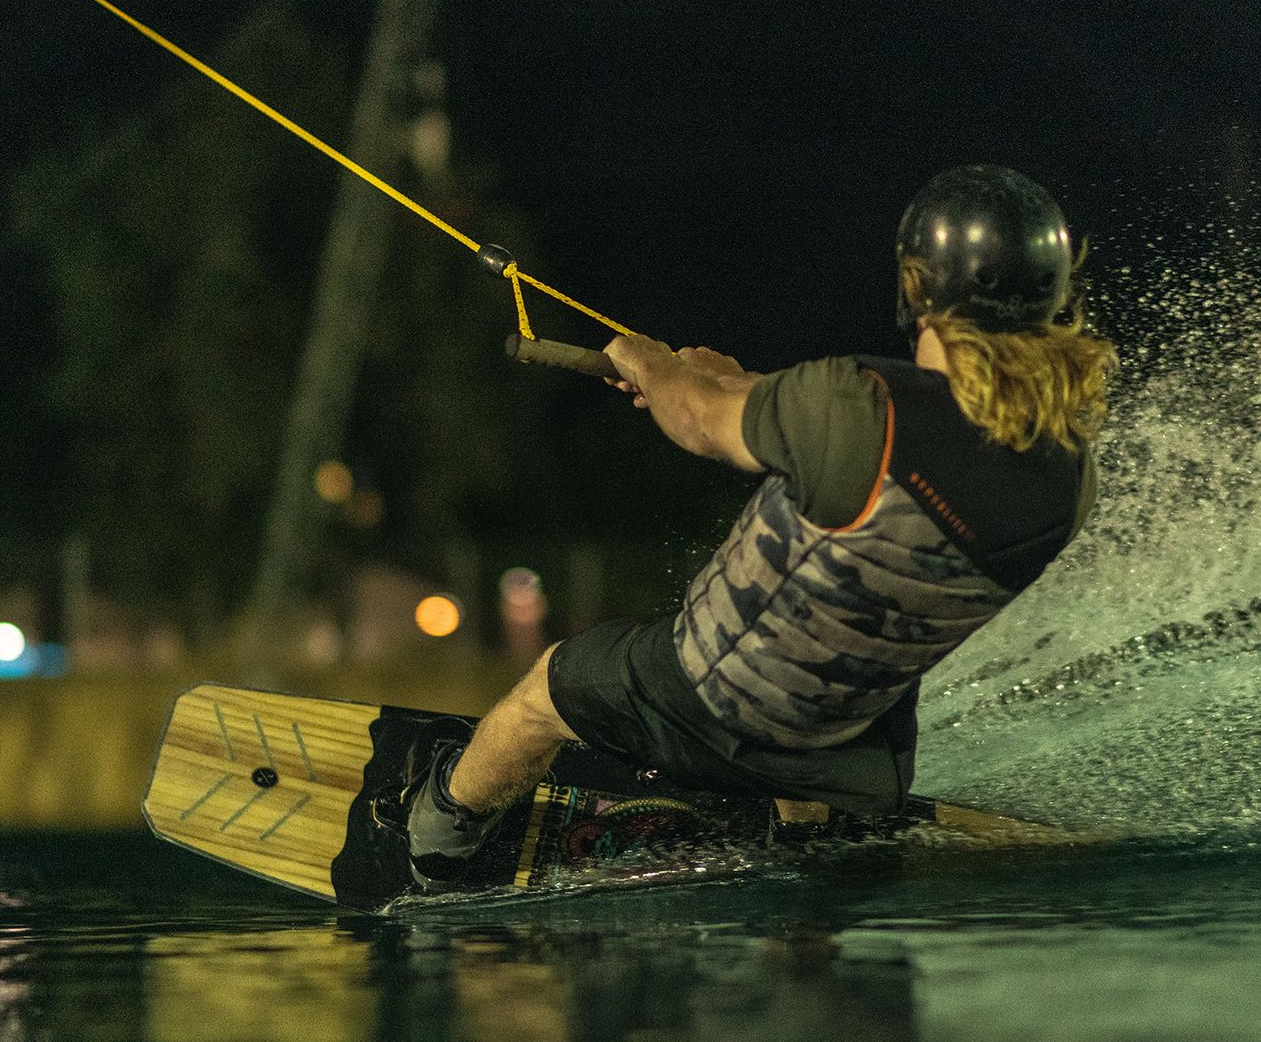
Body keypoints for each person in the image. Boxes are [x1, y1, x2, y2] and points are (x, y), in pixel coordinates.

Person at [408, 164, 1119, 890]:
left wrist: (650, 365)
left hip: (711, 702)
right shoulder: (1069, 484)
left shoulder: (855, 404)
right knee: (831, 673)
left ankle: (438, 837)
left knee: (544, 692)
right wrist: (726, 381)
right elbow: (876, 450)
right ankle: (798, 865)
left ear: (918, 289)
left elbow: (699, 423)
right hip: (854, 749)